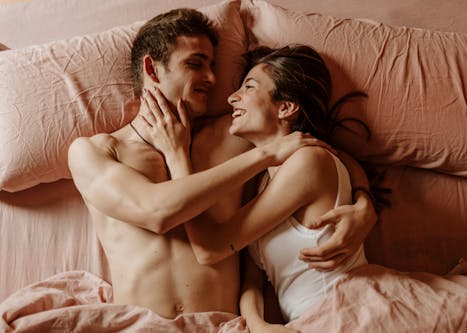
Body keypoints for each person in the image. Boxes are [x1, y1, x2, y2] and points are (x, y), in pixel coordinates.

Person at [68, 8, 376, 320]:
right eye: (195, 64)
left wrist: (365, 204)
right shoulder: (94, 152)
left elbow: (315, 148)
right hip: (142, 326)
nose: (213, 79)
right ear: (152, 68)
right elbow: (157, 212)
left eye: (212, 66)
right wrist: (262, 156)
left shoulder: (233, 134)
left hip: (222, 327)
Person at [140, 44, 369, 331]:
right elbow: (253, 277)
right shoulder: (264, 180)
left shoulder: (308, 160)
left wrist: (177, 155)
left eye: (249, 87)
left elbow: (209, 249)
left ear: (285, 107)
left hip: (347, 316)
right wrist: (258, 323)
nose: (231, 98)